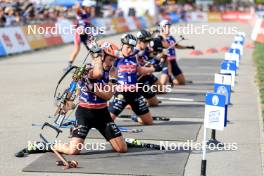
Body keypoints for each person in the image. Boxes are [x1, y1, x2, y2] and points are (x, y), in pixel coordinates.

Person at [108, 34, 161, 125]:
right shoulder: (115, 57)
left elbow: (140, 70)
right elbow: (107, 71)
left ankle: (135, 117)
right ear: (122, 45)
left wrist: (153, 69)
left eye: (131, 48)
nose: (129, 50)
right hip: (121, 94)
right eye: (127, 47)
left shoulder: (133, 57)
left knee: (149, 122)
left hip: (135, 94)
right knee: (106, 122)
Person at [158, 20, 195, 85]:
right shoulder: (159, 38)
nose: (168, 28)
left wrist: (187, 47)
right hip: (166, 61)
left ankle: (171, 80)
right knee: (163, 84)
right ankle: (156, 83)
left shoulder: (171, 37)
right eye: (166, 27)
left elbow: (176, 46)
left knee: (182, 82)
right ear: (162, 28)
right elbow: (165, 45)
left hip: (173, 61)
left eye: (169, 27)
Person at [65, 0, 96, 71]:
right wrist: (77, 7)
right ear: (86, 7)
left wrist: (96, 28)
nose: (91, 8)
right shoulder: (82, 11)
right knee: (77, 49)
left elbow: (89, 23)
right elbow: (77, 11)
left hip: (85, 34)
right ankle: (69, 65)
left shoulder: (88, 14)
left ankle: (95, 63)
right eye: (90, 7)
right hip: (79, 33)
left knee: (91, 49)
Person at [135, 29, 162, 106]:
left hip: (143, 76)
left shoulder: (144, 48)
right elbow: (139, 70)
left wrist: (156, 61)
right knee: (154, 103)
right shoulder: (134, 52)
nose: (147, 44)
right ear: (139, 41)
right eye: (145, 42)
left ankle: (140, 98)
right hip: (134, 81)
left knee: (155, 102)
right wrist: (154, 68)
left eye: (148, 42)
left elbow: (150, 58)